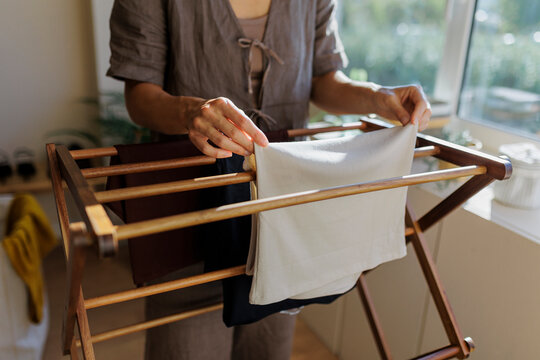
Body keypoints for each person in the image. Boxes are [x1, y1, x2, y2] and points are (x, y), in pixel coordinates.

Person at [107, 1, 431, 359]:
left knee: (269, 348)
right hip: (193, 209)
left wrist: (377, 97)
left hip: (282, 214)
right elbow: (140, 98)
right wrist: (191, 112)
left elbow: (323, 80)